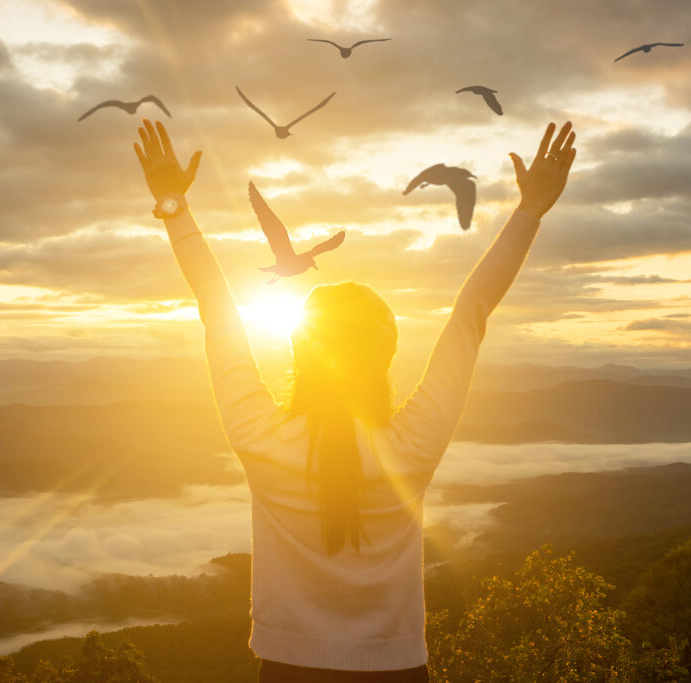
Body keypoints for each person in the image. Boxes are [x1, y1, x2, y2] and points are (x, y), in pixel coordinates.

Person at [133, 119, 576, 682]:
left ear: (301, 351)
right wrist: (529, 211)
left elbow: (217, 307)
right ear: (385, 356)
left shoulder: (260, 438)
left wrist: (174, 204)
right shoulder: (411, 447)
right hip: (397, 670)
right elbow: (471, 314)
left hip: (287, 670)